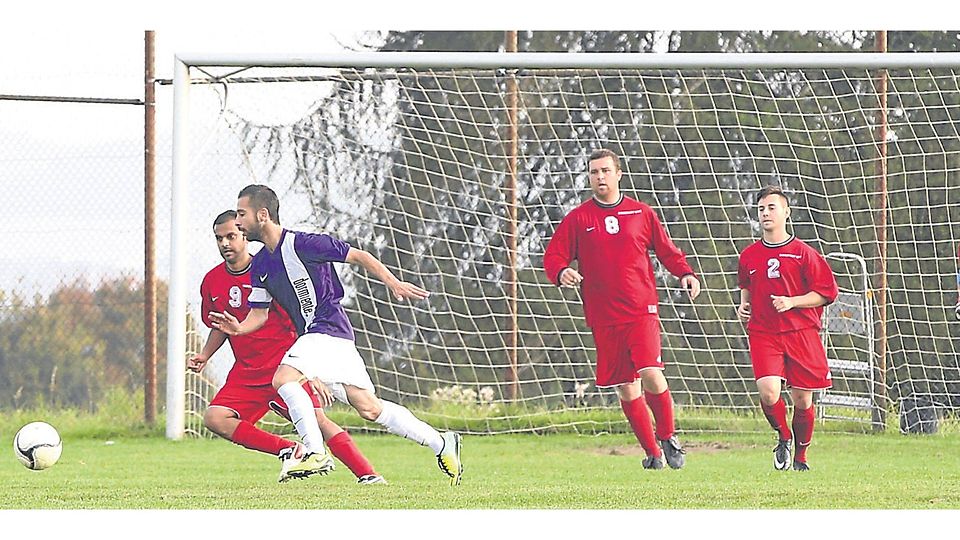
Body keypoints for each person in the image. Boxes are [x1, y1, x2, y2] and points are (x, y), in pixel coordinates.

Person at [209, 185, 463, 485]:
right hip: (325, 339)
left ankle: (314, 452)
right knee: (369, 407)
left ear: (262, 215)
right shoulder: (261, 264)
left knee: (283, 378)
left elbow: (359, 256)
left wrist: (393, 283)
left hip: (328, 328)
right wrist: (239, 328)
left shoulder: (306, 244)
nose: (238, 222)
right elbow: (260, 313)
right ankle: (441, 442)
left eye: (242, 214)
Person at [189, 210, 385, 484]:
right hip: (246, 374)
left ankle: (368, 475)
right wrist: (205, 355)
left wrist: (310, 370)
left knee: (318, 420)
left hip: (285, 367)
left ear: (244, 236)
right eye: (219, 238)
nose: (225, 243)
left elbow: (300, 321)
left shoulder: (268, 270)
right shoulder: (212, 281)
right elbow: (220, 325)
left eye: (231, 236)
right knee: (215, 418)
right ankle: (289, 450)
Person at [543, 148, 701, 470]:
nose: (599, 177)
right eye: (594, 172)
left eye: (605, 171)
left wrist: (685, 273)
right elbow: (553, 256)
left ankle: (668, 436)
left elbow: (666, 250)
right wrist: (561, 272)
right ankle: (652, 454)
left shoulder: (641, 213)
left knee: (650, 372)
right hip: (603, 315)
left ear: (618, 174)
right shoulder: (578, 219)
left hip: (641, 309)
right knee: (627, 388)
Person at [737, 185, 839, 471]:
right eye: (761, 209)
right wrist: (743, 306)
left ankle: (801, 456)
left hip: (801, 332)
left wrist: (793, 301)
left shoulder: (804, 253)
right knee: (769, 392)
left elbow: (827, 293)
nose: (765, 213)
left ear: (786, 213)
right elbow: (746, 285)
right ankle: (783, 436)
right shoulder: (749, 255)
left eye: (772, 207)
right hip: (764, 332)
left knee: (802, 399)